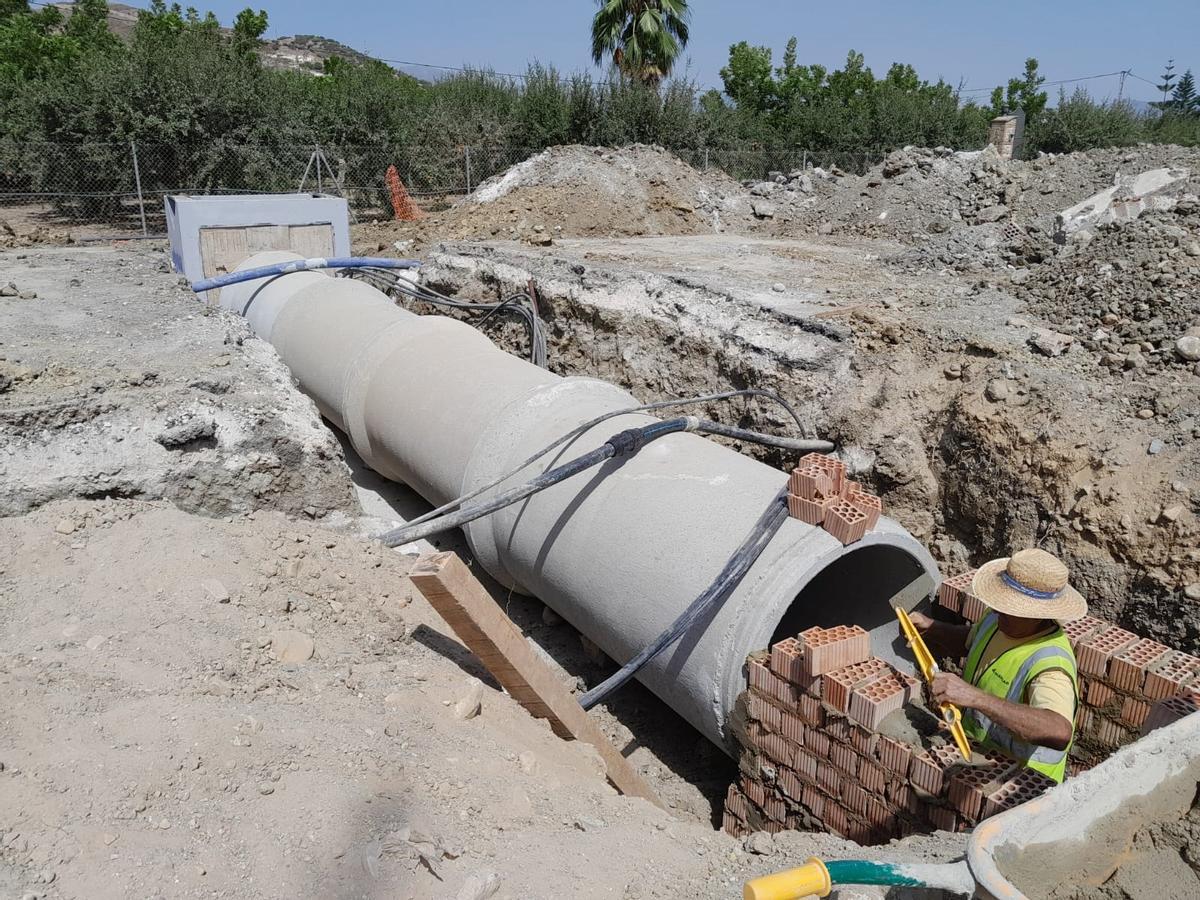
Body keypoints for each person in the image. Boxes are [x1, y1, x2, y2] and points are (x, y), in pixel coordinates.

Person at [909, 548, 1086, 784]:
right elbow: (973, 640)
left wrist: (975, 698)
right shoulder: (999, 619)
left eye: (1011, 608)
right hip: (976, 761)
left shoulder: (1051, 664)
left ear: (1038, 614)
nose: (1001, 611)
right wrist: (930, 628)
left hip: (1020, 787)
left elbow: (1059, 731)